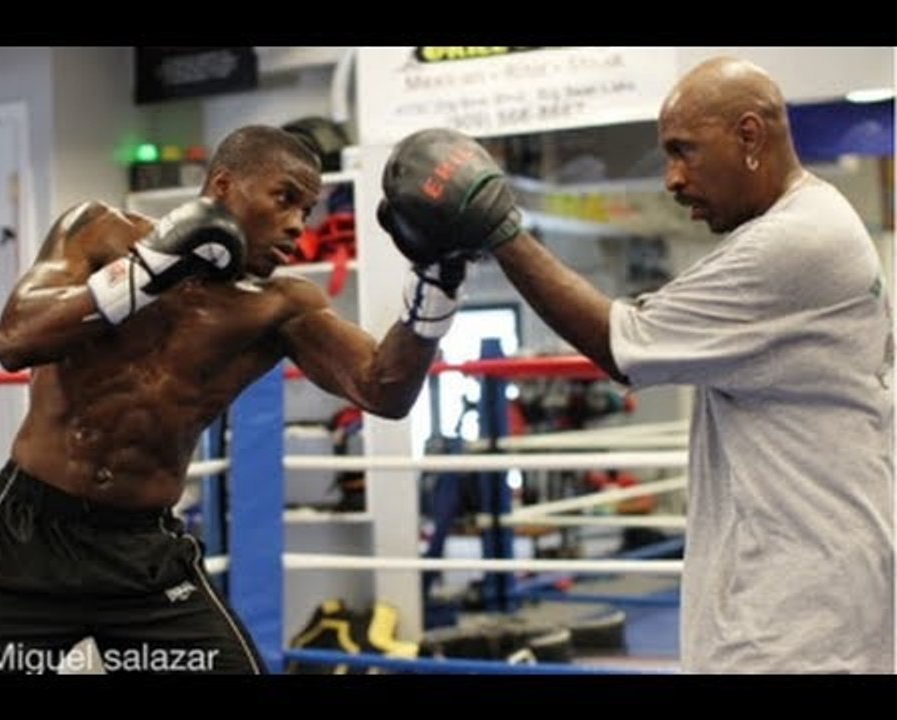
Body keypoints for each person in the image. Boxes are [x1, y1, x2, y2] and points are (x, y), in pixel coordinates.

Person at [376, 57, 894, 673]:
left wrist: (496, 224)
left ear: (750, 136)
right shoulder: (817, 218)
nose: (671, 179)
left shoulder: (795, 241)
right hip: (816, 592)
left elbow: (624, 343)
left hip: (796, 620)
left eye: (685, 151)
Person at [0, 125, 466, 674]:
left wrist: (437, 283)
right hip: (28, 540)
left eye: (306, 212)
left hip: (142, 555)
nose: (295, 226)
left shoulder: (280, 307)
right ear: (223, 185)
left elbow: (383, 390)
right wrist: (151, 270)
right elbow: (16, 338)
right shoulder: (99, 232)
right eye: (284, 199)